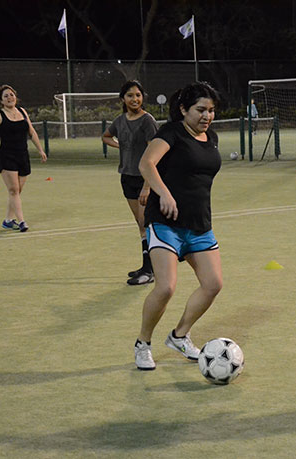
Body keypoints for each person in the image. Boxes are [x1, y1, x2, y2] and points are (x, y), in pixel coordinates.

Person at [133, 82, 222, 370]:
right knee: (166, 287)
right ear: (183, 109)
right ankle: (143, 344)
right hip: (166, 223)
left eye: (211, 110)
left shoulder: (212, 138)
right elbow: (147, 164)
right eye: (200, 110)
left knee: (212, 285)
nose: (206, 116)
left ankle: (179, 335)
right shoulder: (171, 132)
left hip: (199, 225)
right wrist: (164, 193)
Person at [102, 80, 159, 286]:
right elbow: (106, 136)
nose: (135, 99)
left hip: (144, 179)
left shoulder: (147, 121)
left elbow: (154, 154)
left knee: (146, 225)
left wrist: (147, 185)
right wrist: (122, 147)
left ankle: (150, 270)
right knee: (140, 225)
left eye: (138, 95)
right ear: (122, 99)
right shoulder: (120, 120)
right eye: (130, 95)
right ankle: (147, 266)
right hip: (126, 177)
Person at [0, 85, 47, 232]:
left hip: (23, 155)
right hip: (7, 156)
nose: (9, 98)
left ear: (16, 97)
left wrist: (40, 150)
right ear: (1, 100)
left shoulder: (22, 112)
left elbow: (31, 132)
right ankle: (21, 222)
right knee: (13, 190)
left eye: (11, 95)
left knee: (17, 191)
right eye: (6, 96)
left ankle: (8, 220)